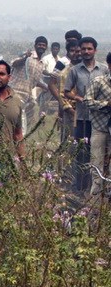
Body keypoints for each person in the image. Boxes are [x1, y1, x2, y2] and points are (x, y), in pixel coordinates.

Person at [64, 37, 109, 195]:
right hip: (82, 117)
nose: (86, 52)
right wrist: (77, 98)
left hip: (101, 121)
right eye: (83, 49)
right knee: (81, 153)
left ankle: (97, 188)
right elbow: (66, 91)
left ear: (95, 50)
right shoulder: (74, 70)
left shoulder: (103, 69)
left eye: (89, 49)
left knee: (99, 154)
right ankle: (80, 187)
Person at [83, 52, 111, 197]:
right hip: (100, 128)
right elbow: (87, 101)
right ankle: (94, 201)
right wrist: (106, 104)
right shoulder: (99, 81)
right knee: (97, 163)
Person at [9, 36, 48, 134]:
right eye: (39, 44)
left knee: (30, 110)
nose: (41, 47)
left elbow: (34, 80)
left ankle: (21, 136)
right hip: (15, 92)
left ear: (46, 47)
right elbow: (14, 63)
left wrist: (46, 87)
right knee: (17, 117)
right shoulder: (27, 56)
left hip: (27, 95)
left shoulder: (41, 63)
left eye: (43, 45)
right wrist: (25, 57)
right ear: (35, 45)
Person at [47, 40, 81, 143]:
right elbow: (51, 84)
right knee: (67, 136)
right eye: (72, 51)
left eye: (78, 51)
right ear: (67, 51)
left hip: (81, 105)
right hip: (67, 104)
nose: (76, 54)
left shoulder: (84, 64)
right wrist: (61, 102)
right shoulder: (63, 63)